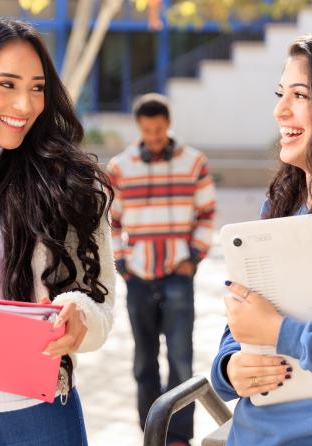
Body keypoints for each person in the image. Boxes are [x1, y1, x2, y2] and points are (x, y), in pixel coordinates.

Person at [0, 16, 116, 446]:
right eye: (8, 85)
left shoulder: (71, 183)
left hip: (37, 419)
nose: (25, 105)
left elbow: (101, 305)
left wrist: (78, 319)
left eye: (37, 88)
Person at [211, 34, 312, 446]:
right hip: (253, 433)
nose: (280, 110)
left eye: (300, 95)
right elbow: (240, 317)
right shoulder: (281, 203)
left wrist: (279, 331)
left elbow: (268, 325)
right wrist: (230, 368)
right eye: (280, 93)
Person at [107, 93, 216, 446]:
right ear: (139, 127)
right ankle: (152, 436)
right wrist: (122, 264)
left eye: (159, 129)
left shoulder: (194, 163)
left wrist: (193, 258)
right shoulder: (121, 168)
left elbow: (206, 214)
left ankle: (180, 438)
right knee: (144, 363)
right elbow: (113, 222)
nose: (154, 136)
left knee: (182, 361)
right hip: (138, 277)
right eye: (147, 130)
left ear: (168, 124)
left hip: (177, 275)